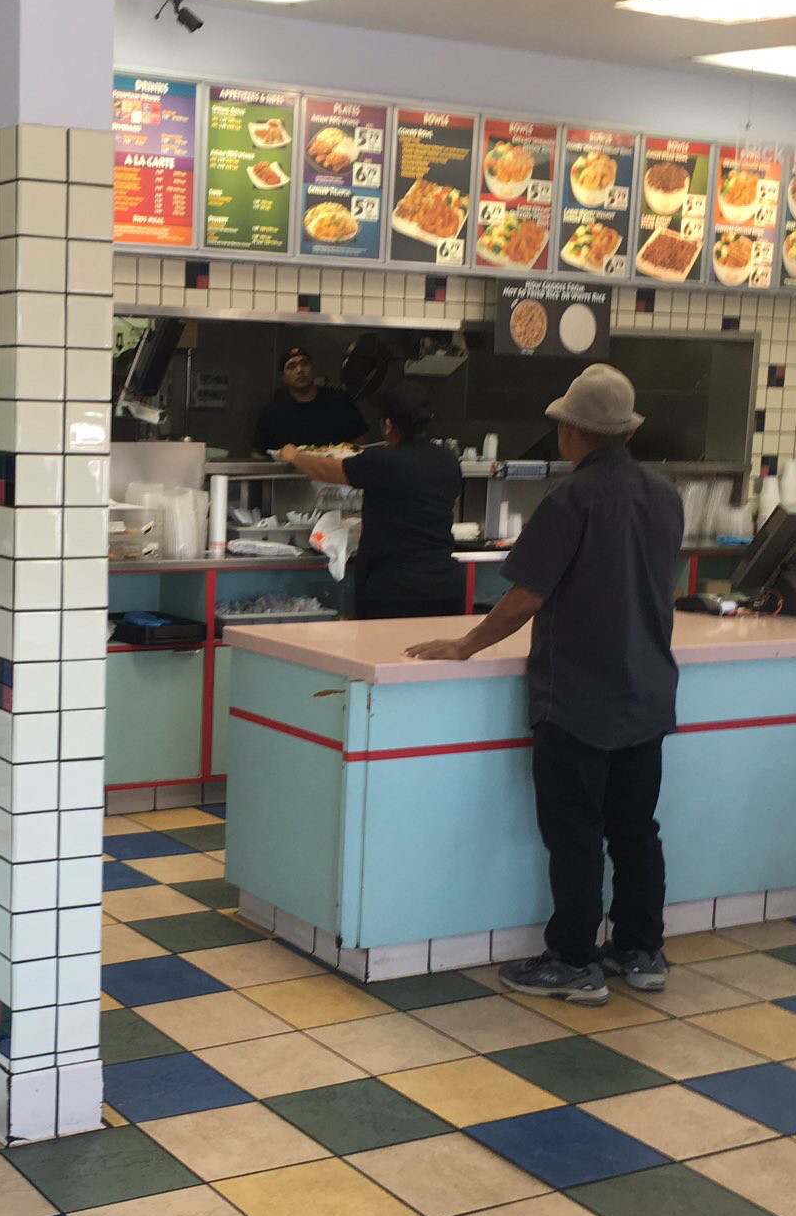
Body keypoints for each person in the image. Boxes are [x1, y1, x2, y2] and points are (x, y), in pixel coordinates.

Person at [407, 364, 683, 1005]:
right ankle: (642, 951)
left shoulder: (571, 500)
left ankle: (574, 961)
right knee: (636, 831)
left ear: (570, 432)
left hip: (578, 698)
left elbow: (526, 596)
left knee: (576, 832)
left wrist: (465, 646)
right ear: (627, 431)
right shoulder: (665, 495)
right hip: (647, 692)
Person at [280, 385, 464, 618]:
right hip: (446, 587)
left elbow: (326, 470)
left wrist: (295, 455)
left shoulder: (382, 460)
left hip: (394, 590)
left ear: (387, 425)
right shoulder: (448, 460)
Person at [252, 345, 367, 457]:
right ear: (283, 377)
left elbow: (360, 443)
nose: (299, 370)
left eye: (304, 363)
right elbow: (258, 455)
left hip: (337, 468)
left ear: (313, 368)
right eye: (291, 366)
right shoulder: (271, 414)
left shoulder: (340, 401)